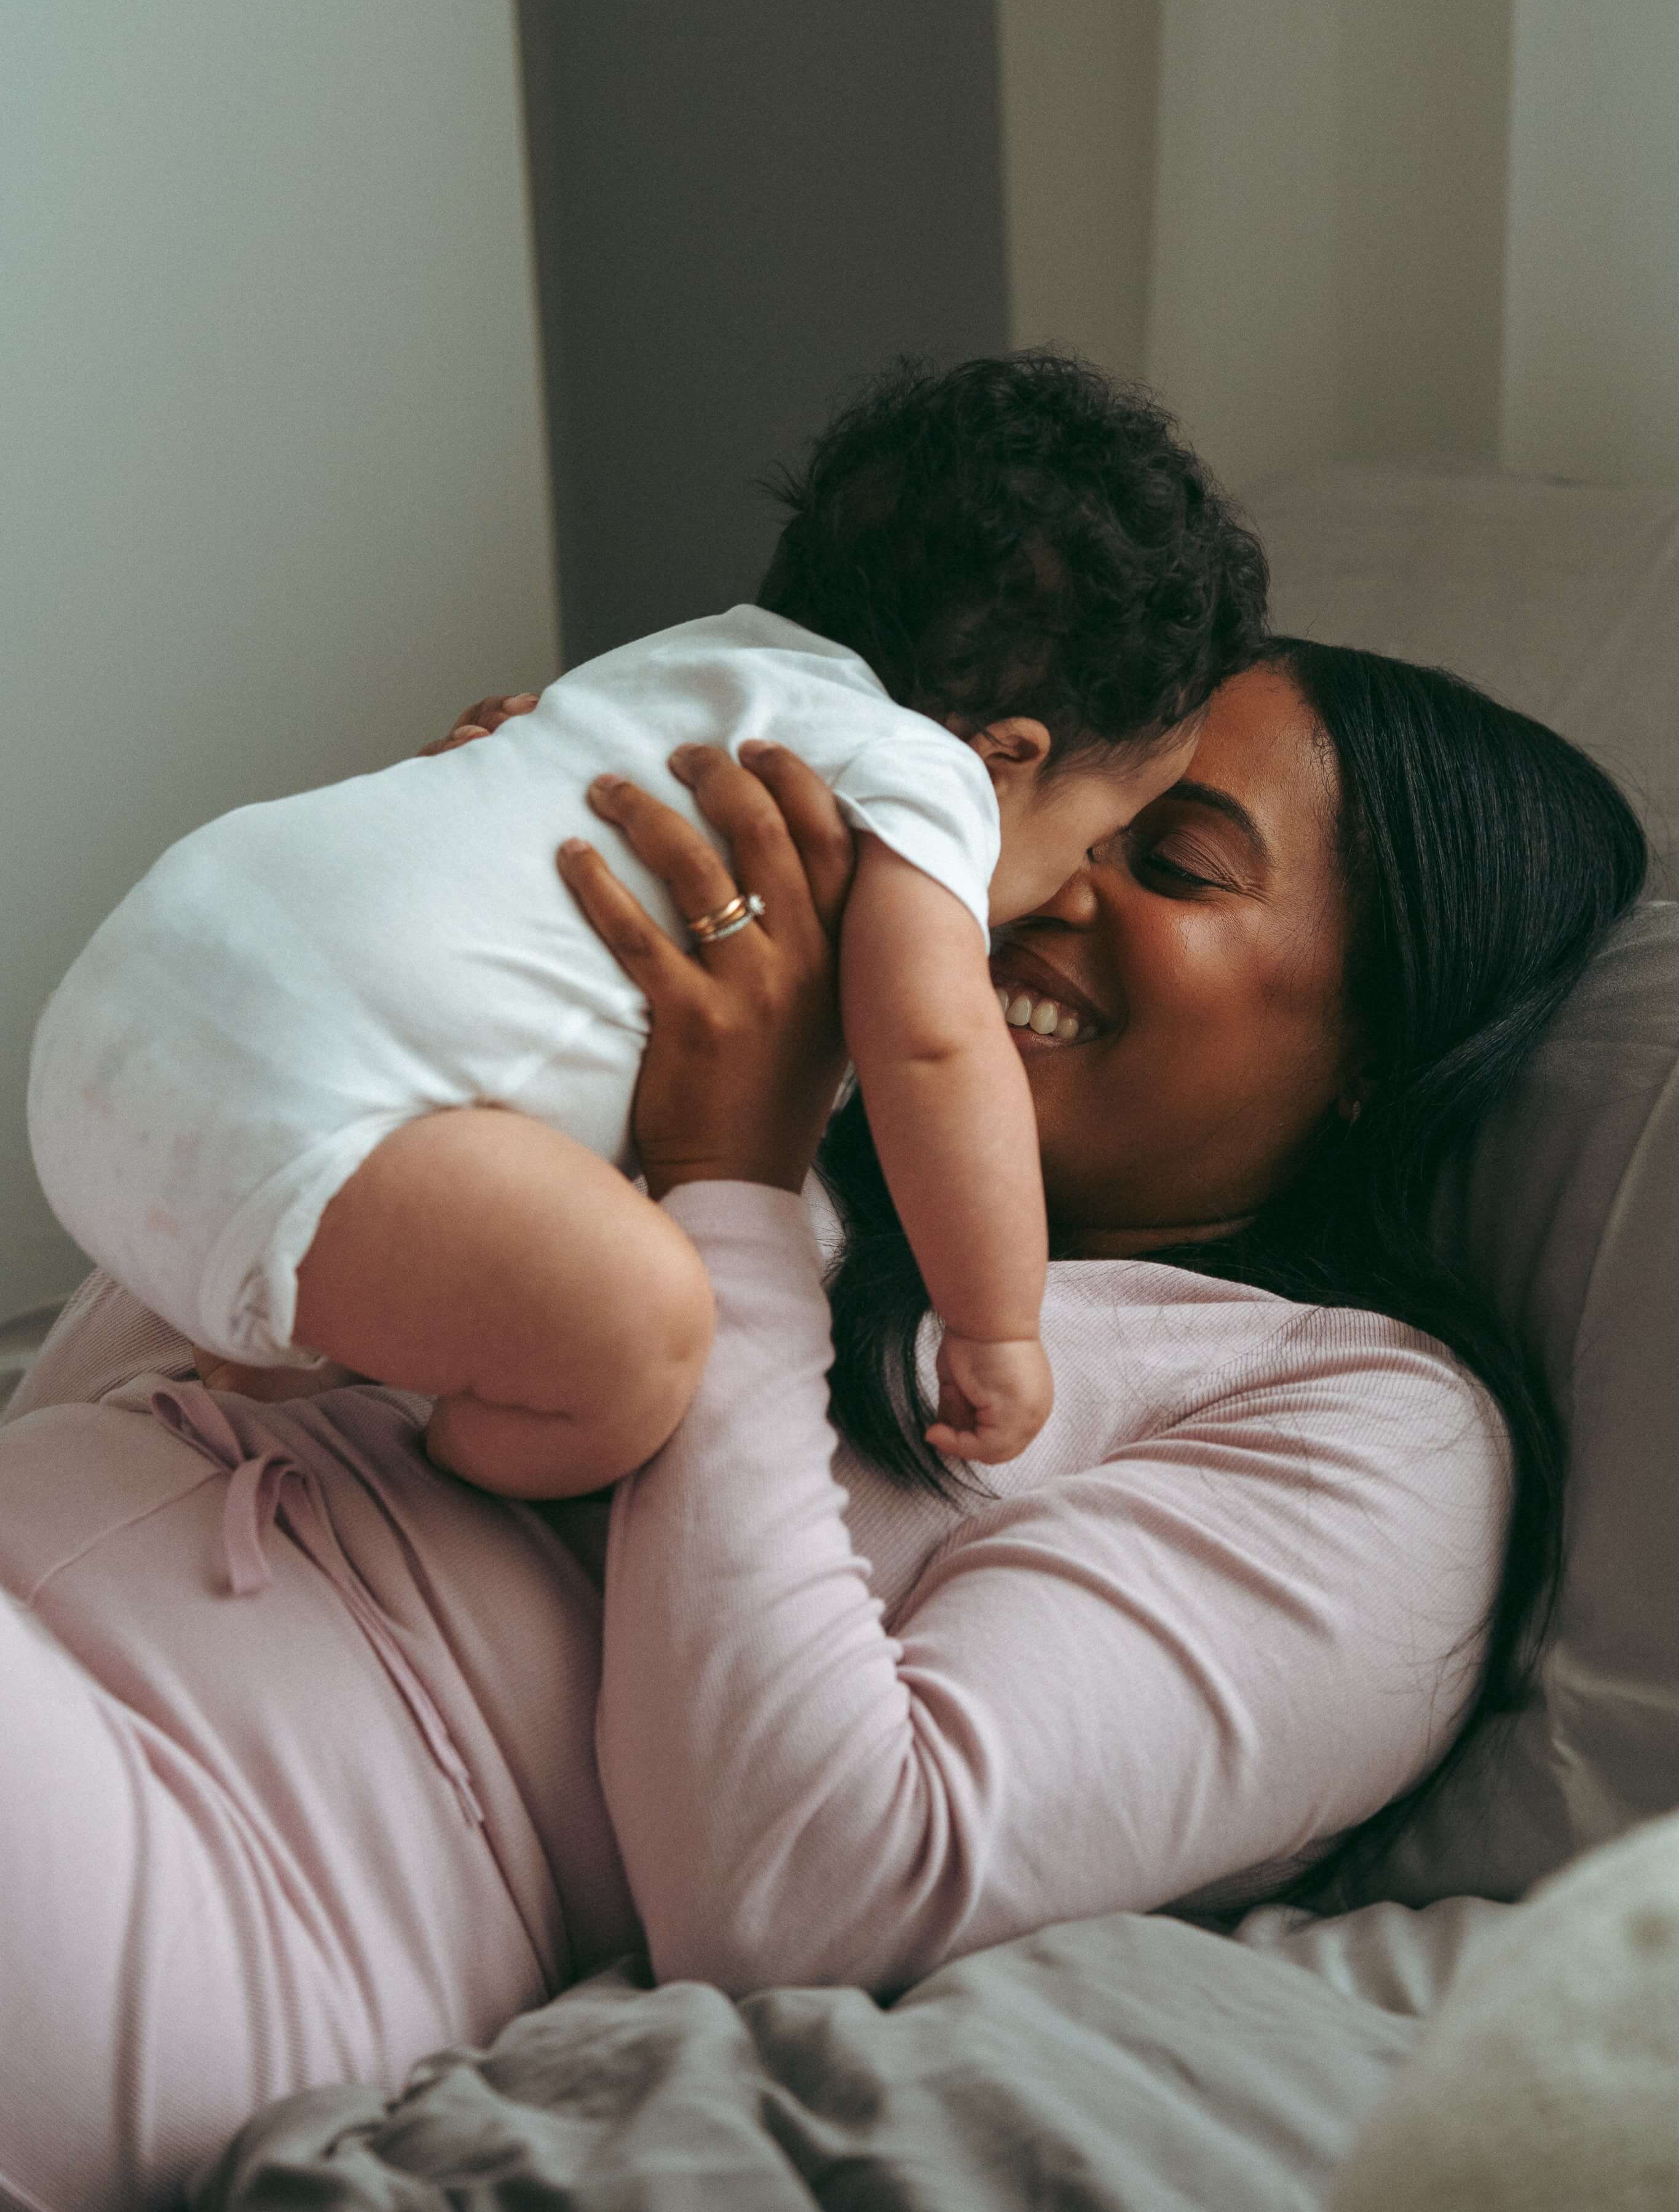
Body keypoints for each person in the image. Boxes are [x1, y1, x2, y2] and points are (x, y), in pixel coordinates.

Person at [0, 641, 1645, 2212]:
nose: (1053, 880)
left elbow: (814, 1892)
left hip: (223, 1873)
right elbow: (192, 1353)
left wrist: (734, 1178)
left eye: (1171, 861)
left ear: (1376, 1040)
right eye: (1061, 809)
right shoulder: (758, 1096)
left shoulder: (1357, 1425)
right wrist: (402, 983)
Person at [26, 357, 1269, 1491]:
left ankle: (271, 1352)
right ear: (1006, 756)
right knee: (637, 1331)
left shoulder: (681, 662)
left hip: (129, 993)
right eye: (1103, 833)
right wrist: (996, 1321)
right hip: (301, 1117)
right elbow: (938, 1055)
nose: (1066, 889)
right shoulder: (921, 773)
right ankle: (437, 1455)